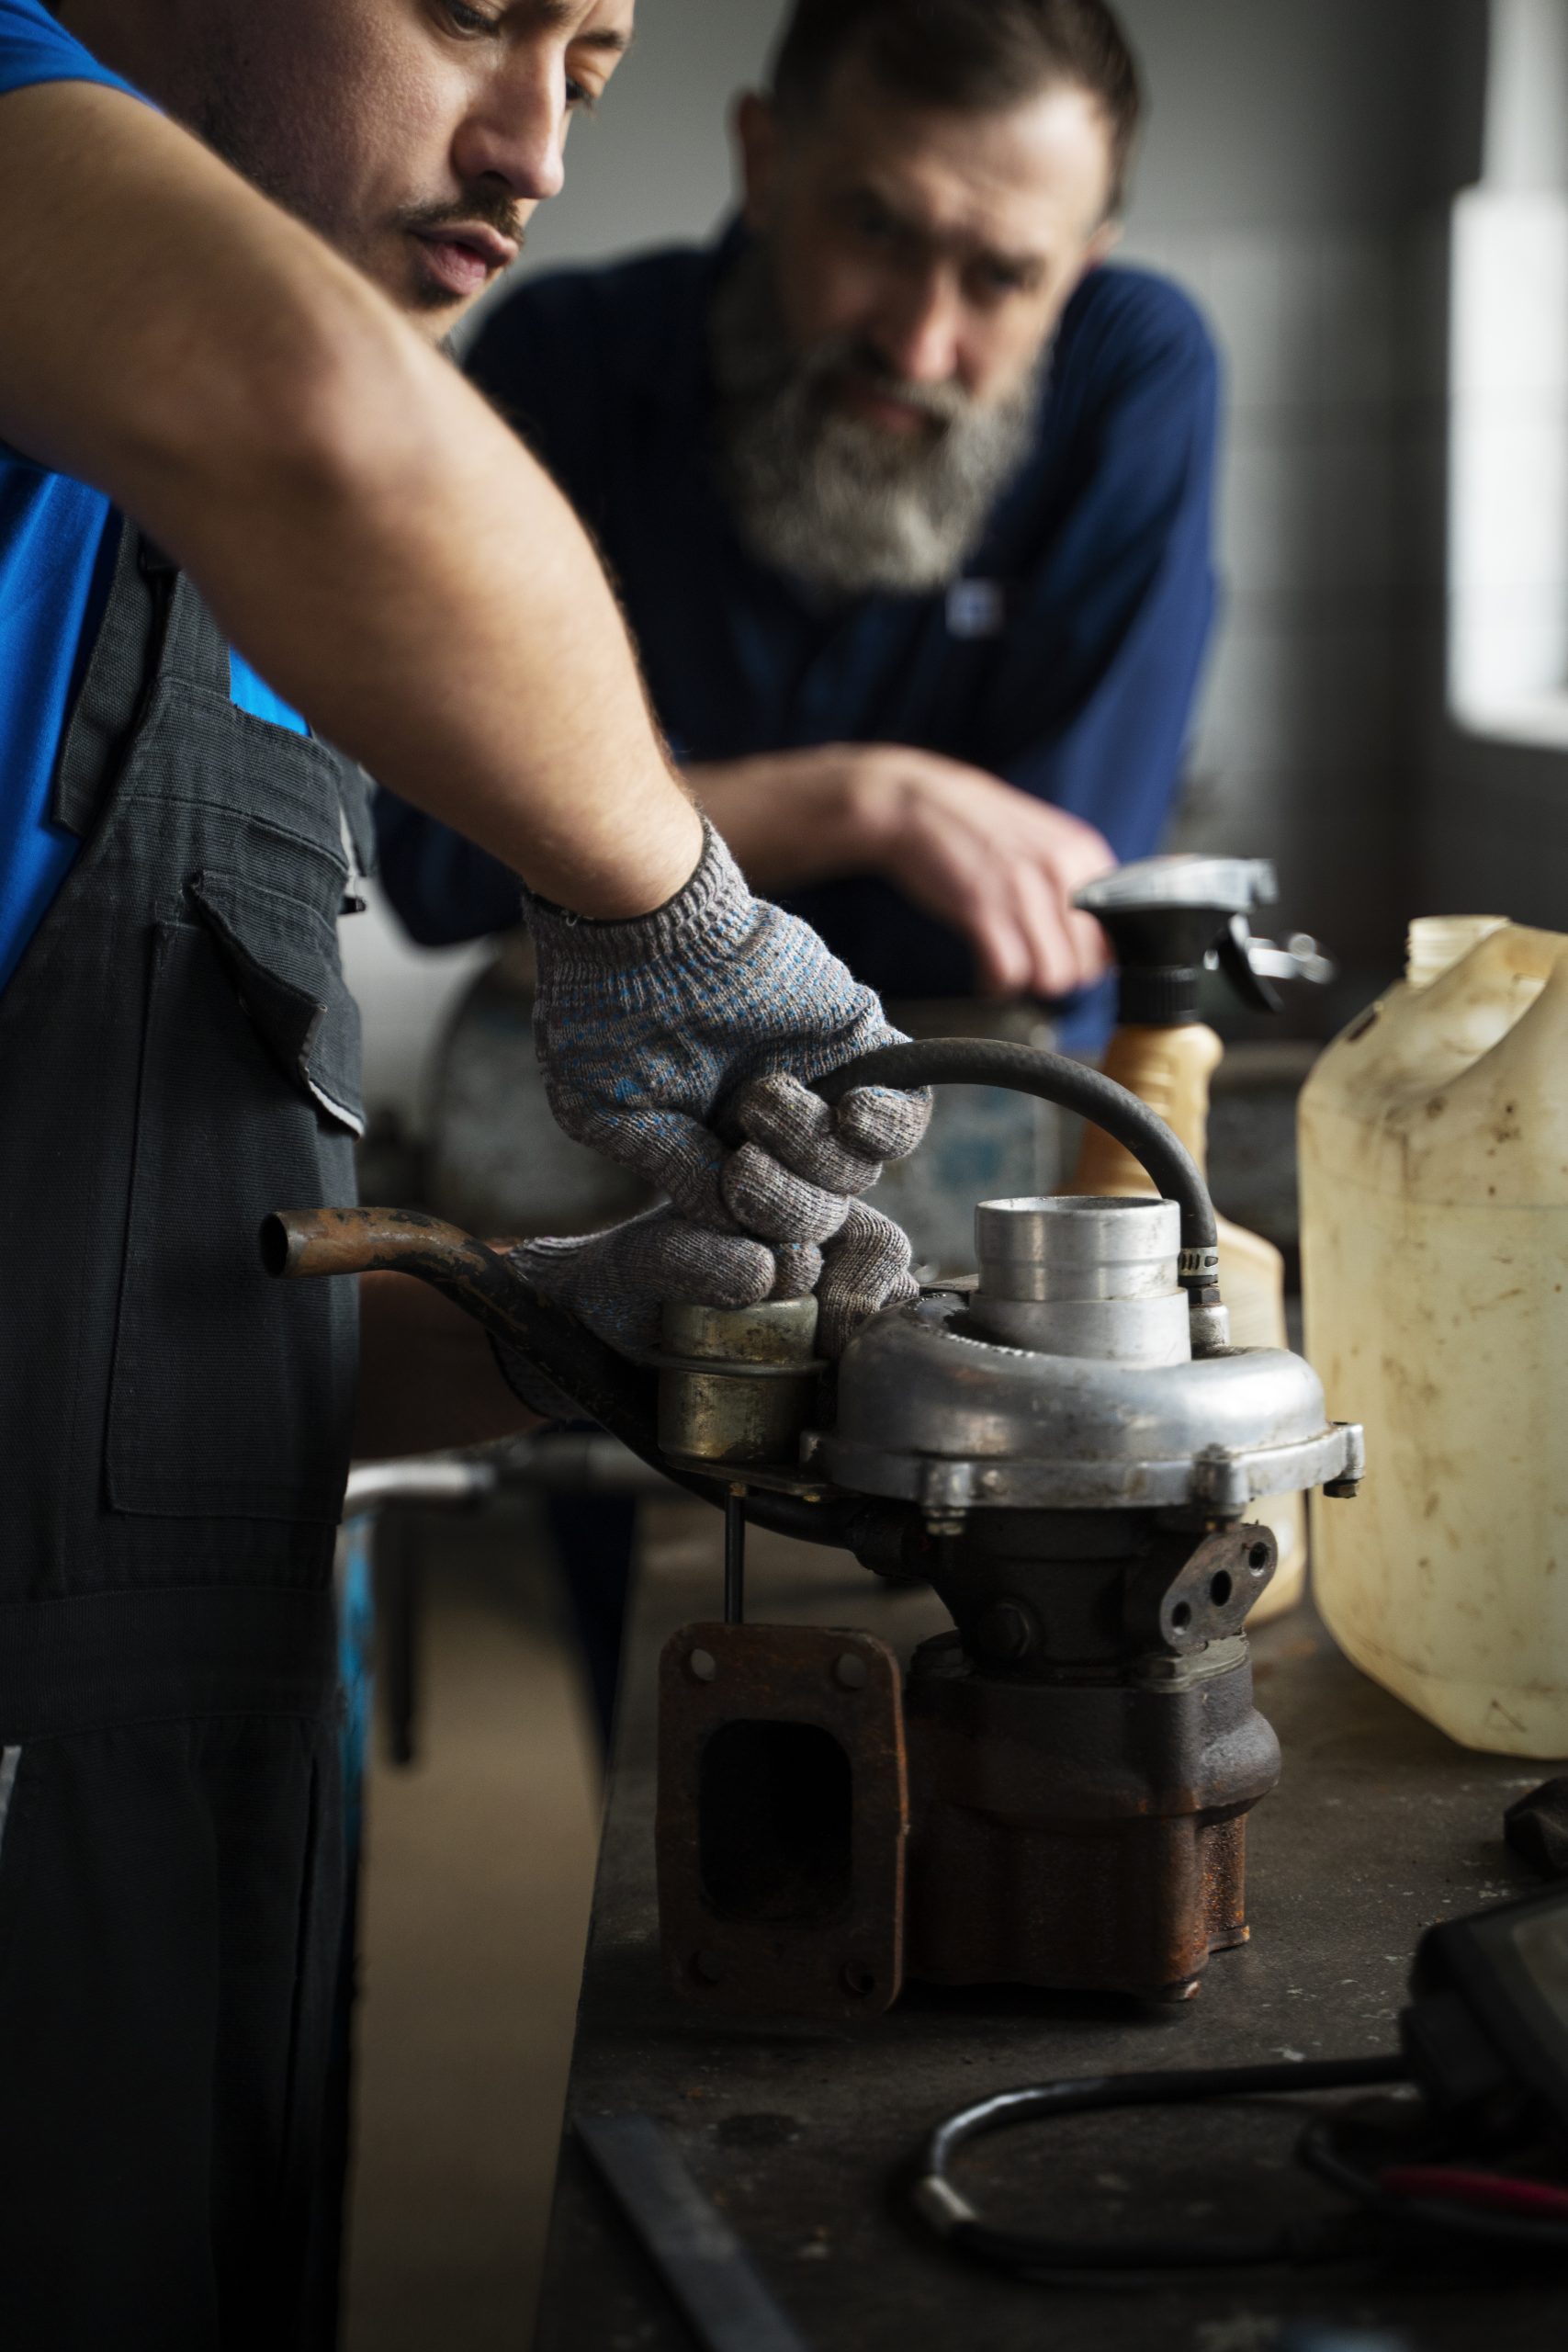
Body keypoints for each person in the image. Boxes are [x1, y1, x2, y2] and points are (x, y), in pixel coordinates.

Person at [0, 4, 928, 2344]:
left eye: (587, 71)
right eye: (475, 12)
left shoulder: (260, 595)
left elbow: (139, 1355)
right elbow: (319, 413)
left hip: (192, 1892)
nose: (531, 150)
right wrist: (671, 905)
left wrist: (560, 1320)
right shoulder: (250, 397)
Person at [379, 0, 1222, 1047]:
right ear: (764, 162)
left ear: (1080, 268)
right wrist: (866, 805)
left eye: (1003, 277)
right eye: (876, 229)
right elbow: (442, 862)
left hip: (1001, 1103)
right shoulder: (565, 358)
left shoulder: (1132, 371)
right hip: (606, 1107)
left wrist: (619, 843)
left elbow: (1053, 916)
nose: (918, 346)